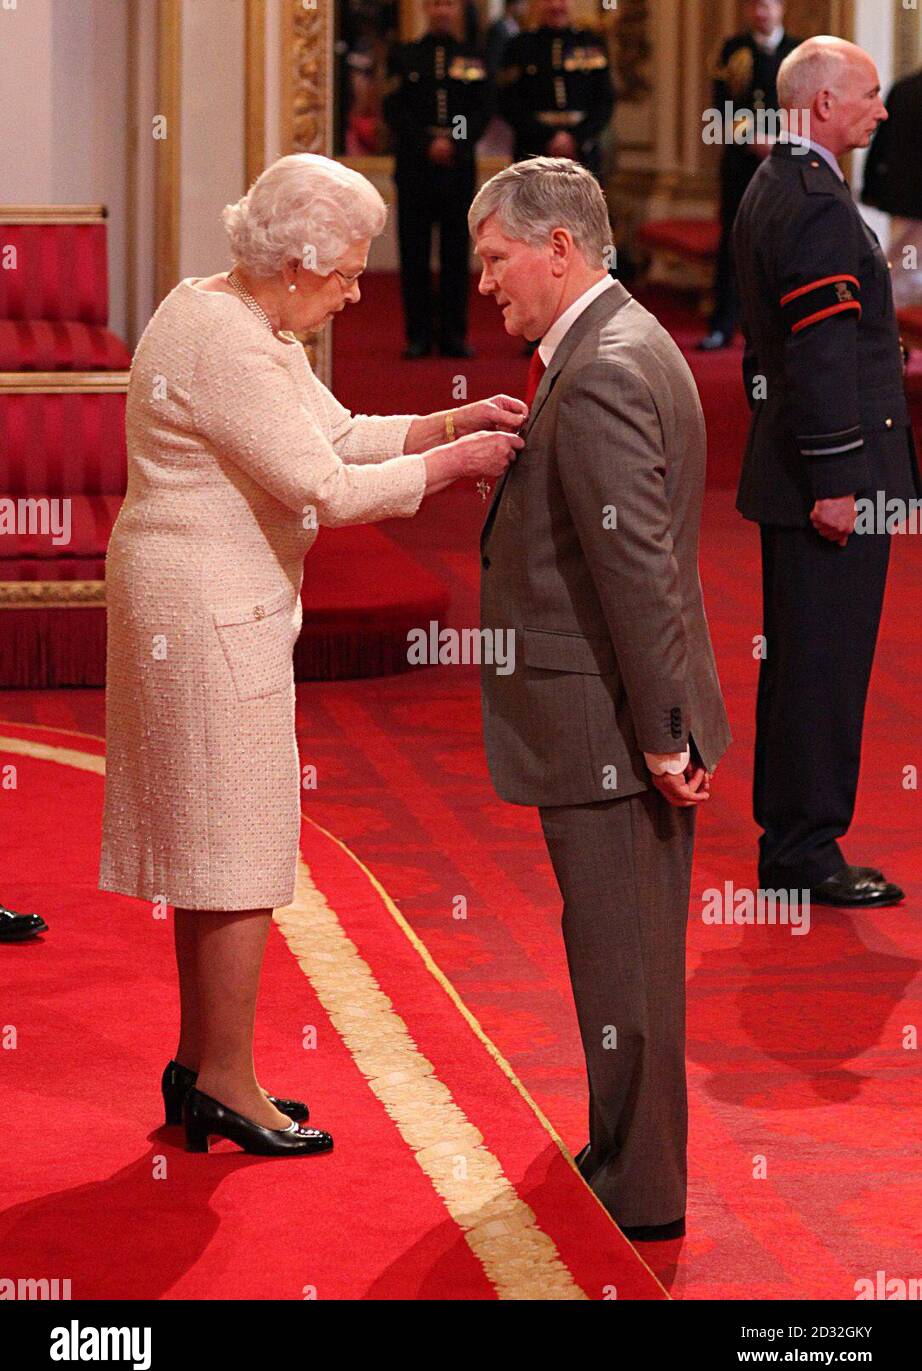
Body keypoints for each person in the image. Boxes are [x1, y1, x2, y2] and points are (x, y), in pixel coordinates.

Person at [98, 153, 525, 1157]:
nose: (352, 292)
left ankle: (201, 1065)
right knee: (238, 847)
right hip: (204, 611)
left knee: (215, 841)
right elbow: (323, 489)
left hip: (205, 599)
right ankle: (228, 1079)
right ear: (295, 259)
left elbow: (334, 432)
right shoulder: (228, 343)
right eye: (344, 273)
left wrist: (446, 420)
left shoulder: (238, 313)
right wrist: (454, 464)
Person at [471, 157, 731, 1240]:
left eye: (495, 260)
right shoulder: (606, 340)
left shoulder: (607, 364)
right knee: (614, 946)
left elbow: (640, 576)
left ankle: (642, 1187)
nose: (486, 283)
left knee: (622, 955)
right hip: (608, 715)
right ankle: (621, 1152)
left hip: (610, 725)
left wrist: (665, 733)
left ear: (558, 250)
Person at [733, 38, 921, 907]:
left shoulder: (775, 180)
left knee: (801, 659)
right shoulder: (814, 204)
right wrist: (840, 479)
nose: (882, 112)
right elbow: (818, 353)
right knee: (824, 665)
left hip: (796, 463)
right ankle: (807, 850)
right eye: (870, 96)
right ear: (822, 106)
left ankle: (791, 837)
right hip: (830, 480)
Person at [383, 0, 490, 359]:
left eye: (449, 5)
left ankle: (453, 334)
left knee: (455, 252)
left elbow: (482, 107)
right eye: (437, 4)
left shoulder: (472, 55)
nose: (443, 11)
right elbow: (394, 108)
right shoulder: (405, 55)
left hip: (457, 168)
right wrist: (428, 143)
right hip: (416, 165)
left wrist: (455, 141)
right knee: (413, 252)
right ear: (427, 9)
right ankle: (417, 334)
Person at [699, 0, 800, 351]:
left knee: (786, 241)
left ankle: (785, 324)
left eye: (767, 4)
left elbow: (807, 106)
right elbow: (720, 105)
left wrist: (778, 141)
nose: (761, 12)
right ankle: (722, 323)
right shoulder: (732, 50)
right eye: (754, 5)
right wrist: (751, 136)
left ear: (781, 7)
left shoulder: (798, 51)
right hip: (741, 162)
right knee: (733, 237)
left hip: (786, 163)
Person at [497, 0, 614, 178]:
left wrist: (575, 137)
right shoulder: (519, 46)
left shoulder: (591, 43)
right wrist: (547, 136)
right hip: (532, 150)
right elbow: (508, 101)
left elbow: (604, 100)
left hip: (582, 150)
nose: (555, 6)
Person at [862, 64, 922, 308]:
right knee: (906, 269)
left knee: (903, 267)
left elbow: (880, 142)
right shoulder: (904, 89)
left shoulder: (903, 88)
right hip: (908, 201)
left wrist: (871, 189)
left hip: (903, 201)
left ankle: (893, 330)